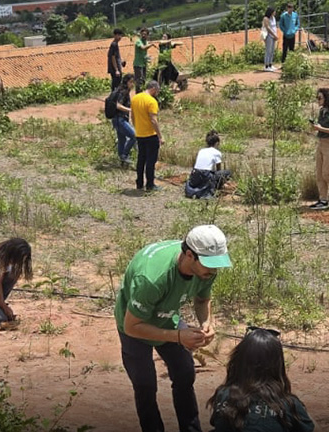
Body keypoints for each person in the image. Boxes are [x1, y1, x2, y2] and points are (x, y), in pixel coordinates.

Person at [115, 225, 232, 432]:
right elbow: (132, 326)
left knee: (185, 373)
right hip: (134, 324)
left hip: (168, 317)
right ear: (189, 255)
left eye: (217, 265)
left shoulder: (205, 270)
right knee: (145, 384)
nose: (213, 271)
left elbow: (202, 300)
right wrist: (178, 336)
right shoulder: (152, 279)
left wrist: (207, 322)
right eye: (209, 265)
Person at [207, 328, 315, 432]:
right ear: (278, 365)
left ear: (238, 362)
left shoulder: (223, 395)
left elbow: (217, 424)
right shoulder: (289, 404)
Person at [132, 80, 165, 192]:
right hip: (150, 135)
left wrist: (137, 127)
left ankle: (139, 183)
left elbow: (132, 115)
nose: (157, 93)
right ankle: (150, 184)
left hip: (139, 134)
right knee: (151, 161)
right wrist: (160, 136)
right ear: (154, 89)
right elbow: (153, 120)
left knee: (141, 159)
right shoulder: (152, 101)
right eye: (158, 91)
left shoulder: (135, 98)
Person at [185, 130, 232, 199]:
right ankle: (216, 188)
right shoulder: (217, 152)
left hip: (195, 174)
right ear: (216, 143)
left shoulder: (201, 150)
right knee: (228, 172)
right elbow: (219, 169)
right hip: (205, 175)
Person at [112, 74, 137, 165]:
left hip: (119, 119)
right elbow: (118, 105)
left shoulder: (122, 90)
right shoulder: (123, 91)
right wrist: (130, 110)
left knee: (122, 139)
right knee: (134, 136)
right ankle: (124, 155)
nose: (132, 84)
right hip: (119, 119)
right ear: (126, 82)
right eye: (131, 82)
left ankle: (122, 159)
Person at [134, 28, 155, 92]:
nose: (143, 35)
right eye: (142, 34)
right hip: (138, 64)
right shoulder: (138, 41)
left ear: (147, 35)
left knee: (143, 80)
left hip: (143, 64)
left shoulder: (145, 42)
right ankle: (138, 94)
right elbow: (143, 48)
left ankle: (142, 93)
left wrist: (148, 57)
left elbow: (144, 53)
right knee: (139, 80)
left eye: (145, 34)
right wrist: (151, 44)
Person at [263, 7, 280, 72]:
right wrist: (274, 35)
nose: (275, 13)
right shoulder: (266, 18)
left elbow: (275, 27)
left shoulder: (274, 18)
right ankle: (266, 65)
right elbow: (268, 28)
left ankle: (270, 64)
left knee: (272, 50)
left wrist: (276, 35)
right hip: (269, 36)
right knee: (268, 50)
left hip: (274, 36)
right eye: (274, 11)